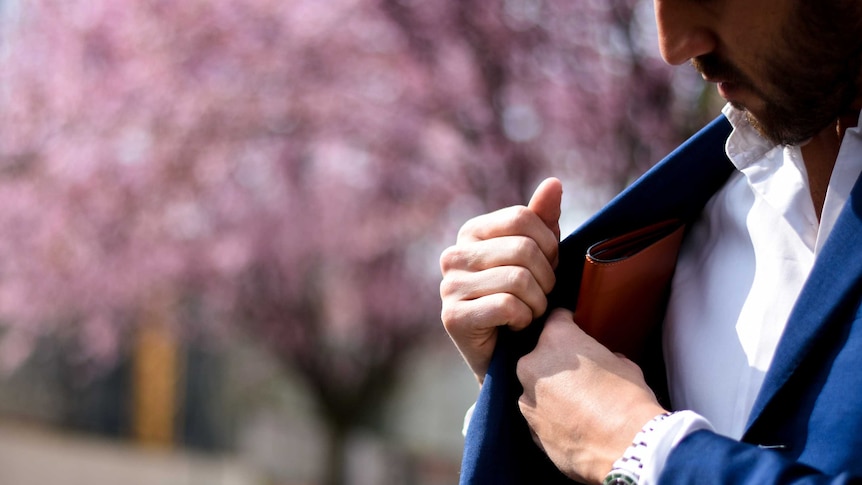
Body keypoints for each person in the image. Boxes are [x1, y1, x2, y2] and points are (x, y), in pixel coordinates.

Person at [440, 1, 862, 484]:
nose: (673, 47)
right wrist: (517, 394)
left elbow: (626, 447)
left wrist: (639, 450)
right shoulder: (687, 217)